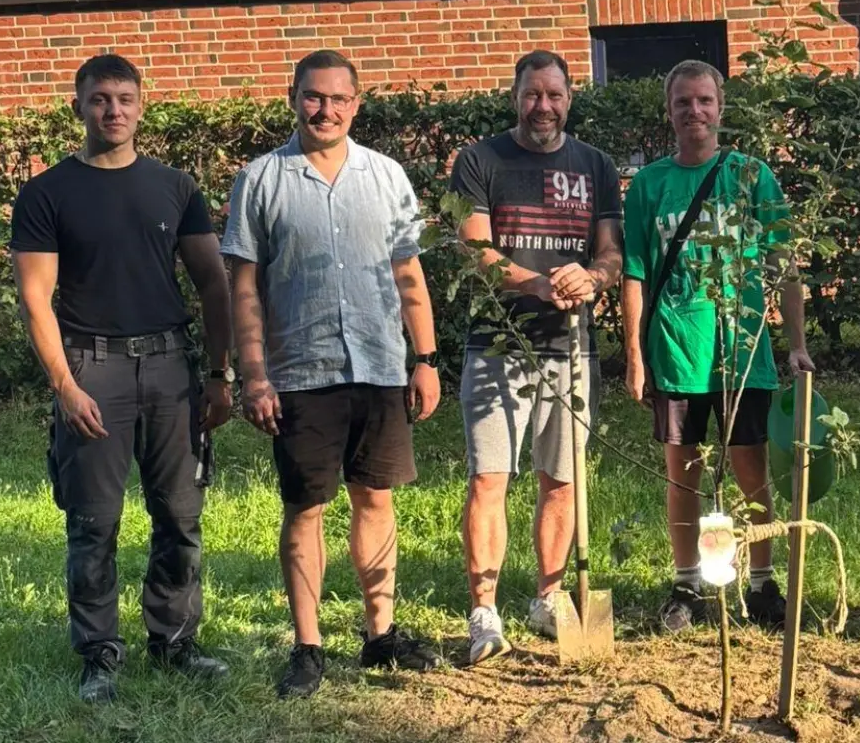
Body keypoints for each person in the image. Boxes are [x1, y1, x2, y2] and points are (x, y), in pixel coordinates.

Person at [9, 53, 233, 703]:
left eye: (124, 99)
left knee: (181, 516)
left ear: (142, 105)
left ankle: (174, 645)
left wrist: (219, 375)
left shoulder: (175, 187)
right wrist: (64, 384)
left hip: (170, 368)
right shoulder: (47, 193)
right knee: (92, 523)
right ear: (78, 106)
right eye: (100, 98)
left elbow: (213, 282)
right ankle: (100, 658)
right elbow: (35, 298)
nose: (113, 110)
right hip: (92, 368)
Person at [221, 49, 443, 698]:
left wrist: (425, 360)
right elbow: (243, 289)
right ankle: (308, 647)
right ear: (293, 97)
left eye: (338, 98)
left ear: (356, 103)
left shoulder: (386, 177)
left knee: (375, 498)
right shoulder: (260, 180)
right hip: (299, 372)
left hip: (379, 367)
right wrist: (254, 375)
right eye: (313, 97)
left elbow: (409, 275)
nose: (325, 109)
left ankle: (380, 636)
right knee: (306, 507)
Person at [621, 59, 814, 632]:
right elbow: (635, 273)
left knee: (749, 465)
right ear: (669, 112)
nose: (694, 112)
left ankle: (761, 581)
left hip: (742, 351)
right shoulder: (650, 185)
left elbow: (784, 261)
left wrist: (796, 342)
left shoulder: (752, 176)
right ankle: (687, 582)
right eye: (683, 102)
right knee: (681, 470)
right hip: (677, 350)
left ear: (720, 108)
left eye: (704, 100)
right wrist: (634, 353)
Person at [450, 50, 623, 664]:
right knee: (490, 477)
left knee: (562, 480)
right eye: (532, 94)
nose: (542, 106)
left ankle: (548, 596)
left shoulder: (595, 165)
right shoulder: (480, 161)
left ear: (570, 98)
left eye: (554, 95)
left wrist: (593, 279)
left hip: (571, 348)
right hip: (500, 342)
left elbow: (611, 255)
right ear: (515, 96)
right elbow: (473, 252)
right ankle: (484, 610)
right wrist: (534, 283)